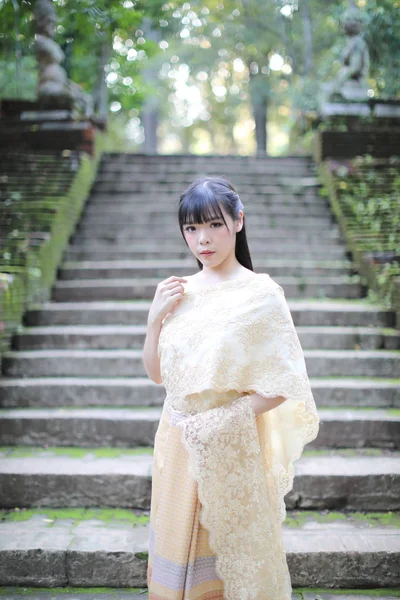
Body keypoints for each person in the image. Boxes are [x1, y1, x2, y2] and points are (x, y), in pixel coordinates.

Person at [143, 176, 320, 600]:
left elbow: (285, 381)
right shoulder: (178, 293)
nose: (202, 239)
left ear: (238, 221)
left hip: (229, 440)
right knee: (174, 551)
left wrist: (225, 420)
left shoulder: (261, 294)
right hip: (174, 439)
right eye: (191, 229)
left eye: (214, 225)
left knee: (224, 562)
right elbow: (158, 376)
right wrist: (153, 320)